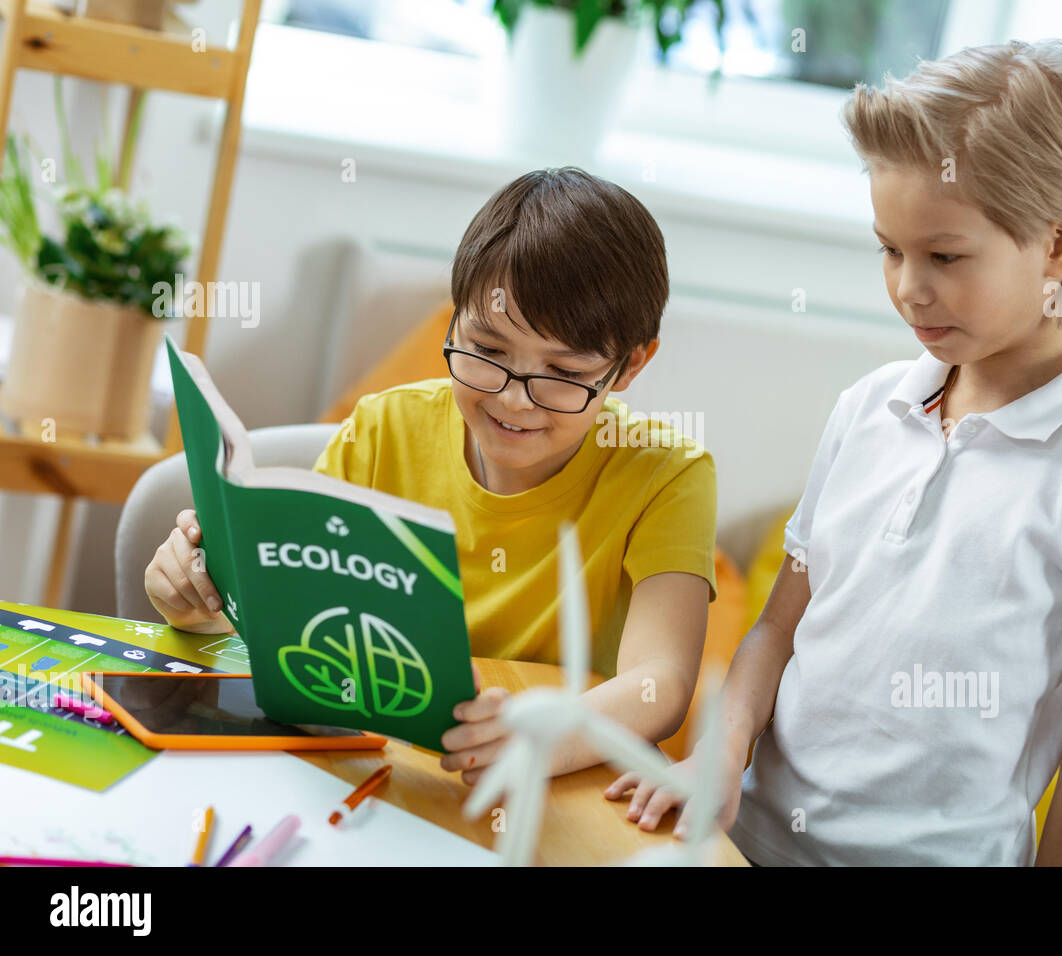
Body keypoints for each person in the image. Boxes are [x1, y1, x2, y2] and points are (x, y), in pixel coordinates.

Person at [606, 39, 1062, 866]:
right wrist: (719, 754)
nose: (909, 286)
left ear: (1061, 245)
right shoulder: (869, 406)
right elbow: (774, 630)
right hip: (747, 838)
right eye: (889, 248)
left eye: (944, 256)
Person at [144, 167, 717, 787]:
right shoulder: (383, 429)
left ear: (629, 365)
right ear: (455, 319)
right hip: (370, 768)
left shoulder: (667, 475)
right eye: (488, 351)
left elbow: (661, 683)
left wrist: (543, 736)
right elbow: (293, 625)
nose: (514, 401)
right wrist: (195, 598)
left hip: (539, 784)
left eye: (562, 371)